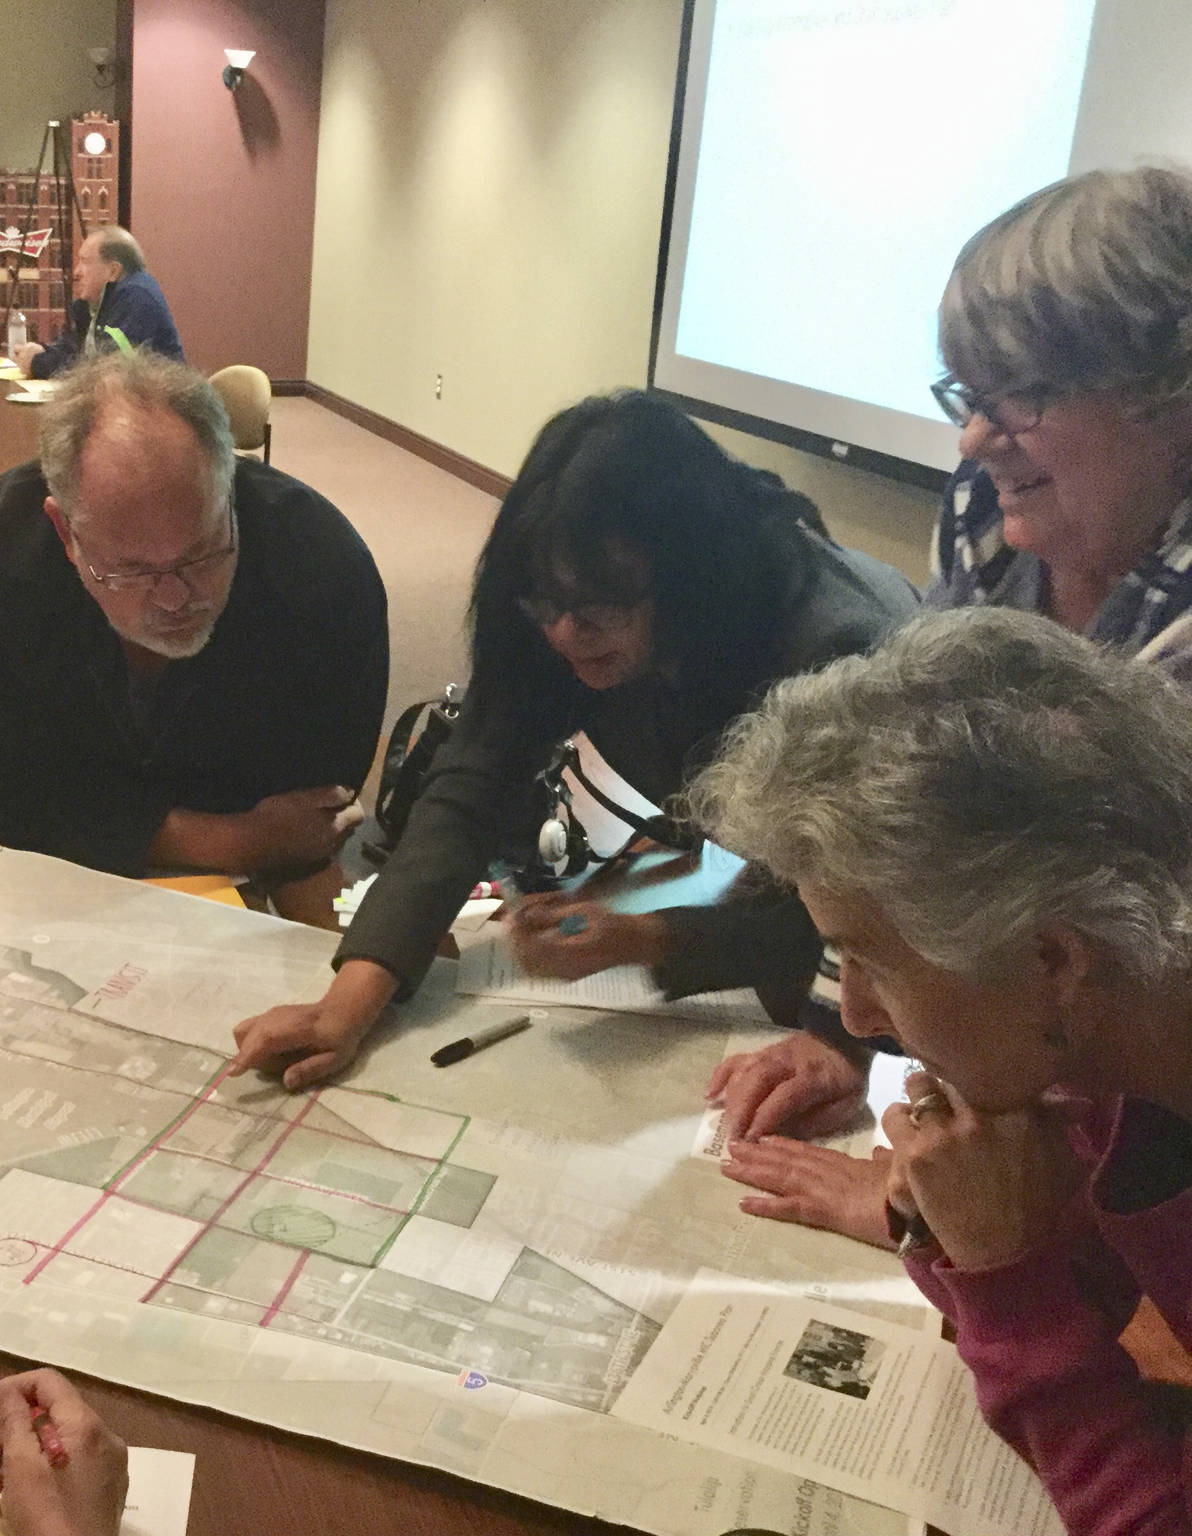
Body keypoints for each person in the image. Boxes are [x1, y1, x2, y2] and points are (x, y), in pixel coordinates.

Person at [714, 165, 1192, 1246]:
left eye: (1016, 396)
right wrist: (844, 1036)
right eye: (963, 397)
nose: (974, 441)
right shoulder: (985, 510)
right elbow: (910, 820)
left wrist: (937, 1222)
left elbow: (1117, 973)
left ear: (1165, 393)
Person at [230, 391, 918, 1090]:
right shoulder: (564, 598)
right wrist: (343, 1006)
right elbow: (474, 781)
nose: (562, 635)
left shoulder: (836, 652)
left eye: (593, 610)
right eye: (544, 606)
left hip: (900, 852)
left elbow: (868, 918)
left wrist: (658, 939)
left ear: (688, 586)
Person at [691, 607, 1192, 1536]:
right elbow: (1096, 1267)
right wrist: (956, 1221)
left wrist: (1007, 1277)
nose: (853, 1014)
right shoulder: (1109, 1043)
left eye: (873, 961)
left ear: (1051, 960)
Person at [0, 350, 388, 924]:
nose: (174, 599)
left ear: (229, 493)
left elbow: (312, 815)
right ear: (63, 530)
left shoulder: (324, 568)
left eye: (201, 554)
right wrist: (234, 837)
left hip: (263, 896)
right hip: (52, 880)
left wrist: (115, 820)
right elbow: (12, 798)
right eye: (130, 570)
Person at [12, 226, 184, 380]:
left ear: (113, 271)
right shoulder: (98, 302)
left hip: (163, 410)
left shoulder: (136, 298)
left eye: (84, 261)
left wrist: (38, 363)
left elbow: (110, 369)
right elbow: (75, 350)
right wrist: (41, 352)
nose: (76, 272)